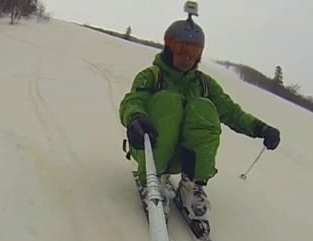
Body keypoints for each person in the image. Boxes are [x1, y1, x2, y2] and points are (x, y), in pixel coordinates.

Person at [119, 16, 281, 223]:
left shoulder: (204, 84)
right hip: (148, 148)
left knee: (204, 107)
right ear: (169, 48)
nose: (187, 58)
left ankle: (191, 186)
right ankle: (152, 181)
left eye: (194, 53)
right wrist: (134, 117)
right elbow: (133, 100)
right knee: (168, 101)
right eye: (182, 50)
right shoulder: (152, 76)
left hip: (184, 157)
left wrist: (261, 128)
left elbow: (231, 112)